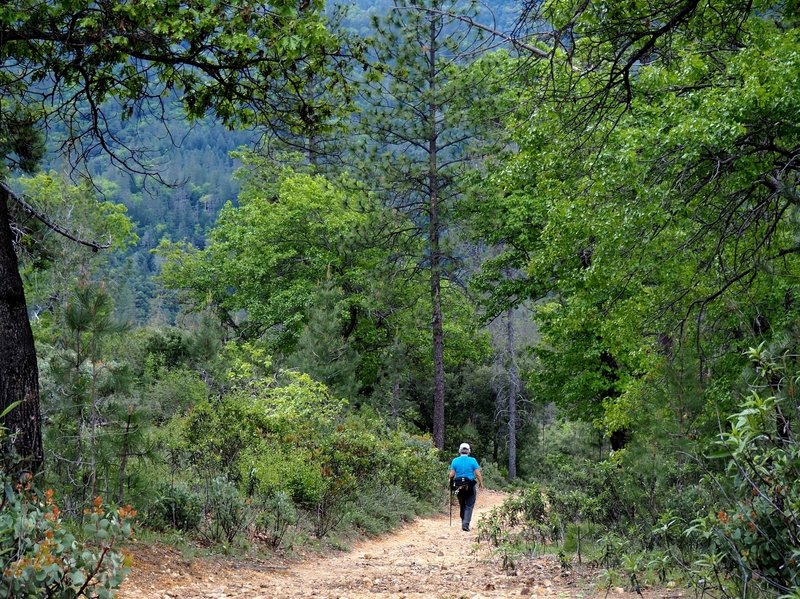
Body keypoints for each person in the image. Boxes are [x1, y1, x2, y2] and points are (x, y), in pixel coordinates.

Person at [448, 442, 483, 531]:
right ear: (468, 451)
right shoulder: (473, 460)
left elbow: (451, 475)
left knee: (462, 504)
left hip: (459, 486)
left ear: (460, 450)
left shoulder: (455, 460)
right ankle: (465, 524)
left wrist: (450, 483)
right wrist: (481, 483)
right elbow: (478, 474)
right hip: (470, 485)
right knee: (469, 505)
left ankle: (463, 520)